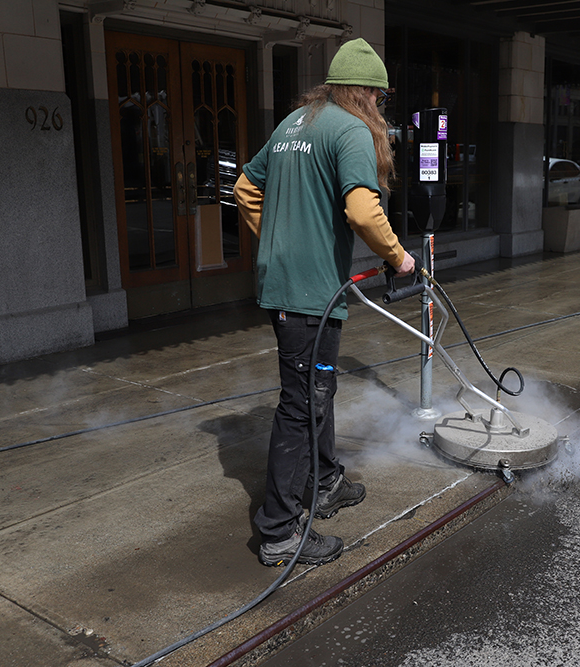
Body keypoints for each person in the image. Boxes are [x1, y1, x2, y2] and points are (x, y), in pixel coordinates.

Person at [234, 38, 414, 567]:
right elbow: (361, 210)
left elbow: (245, 187)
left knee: (318, 385)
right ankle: (280, 531)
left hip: (286, 285)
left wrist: (278, 243)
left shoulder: (295, 124)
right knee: (300, 403)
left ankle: (326, 480)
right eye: (379, 98)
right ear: (365, 93)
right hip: (308, 292)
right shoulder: (352, 129)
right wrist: (399, 257)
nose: (380, 107)